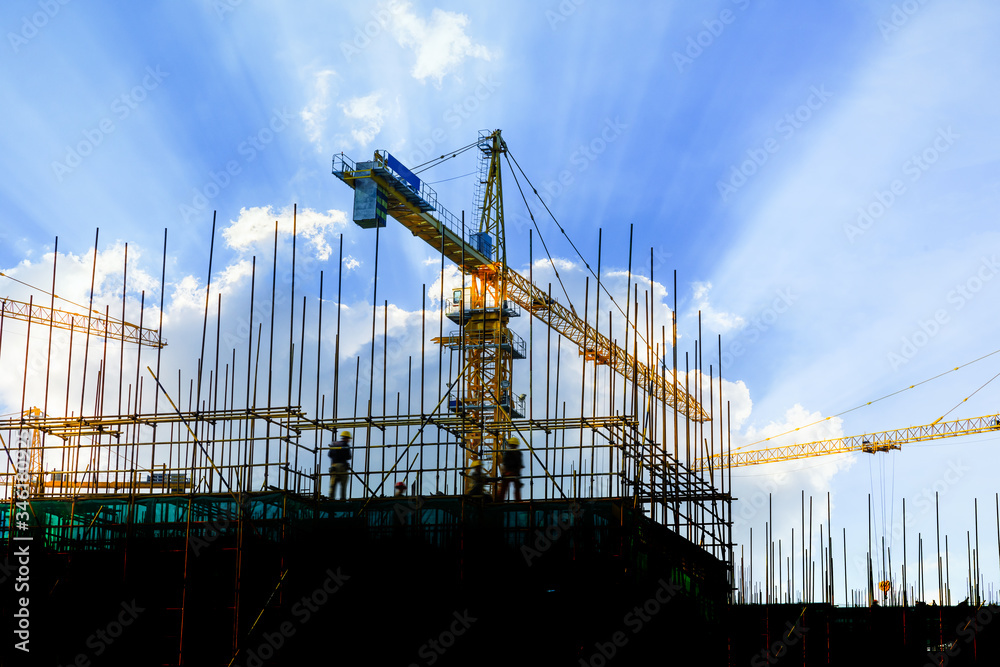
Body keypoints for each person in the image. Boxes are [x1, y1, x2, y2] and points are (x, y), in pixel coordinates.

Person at [328, 430, 352, 500]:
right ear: (347, 438)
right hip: (342, 466)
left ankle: (331, 498)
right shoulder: (345, 445)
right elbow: (348, 457)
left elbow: (329, 454)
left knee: (333, 484)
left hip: (334, 466)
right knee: (343, 484)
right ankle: (342, 499)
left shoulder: (334, 444)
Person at [499, 437, 524, 501]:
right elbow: (520, 465)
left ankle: (499, 500)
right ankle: (518, 500)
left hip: (510, 472)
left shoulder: (508, 453)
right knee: (515, 486)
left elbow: (505, 464)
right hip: (513, 472)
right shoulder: (518, 453)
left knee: (504, 487)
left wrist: (504, 473)